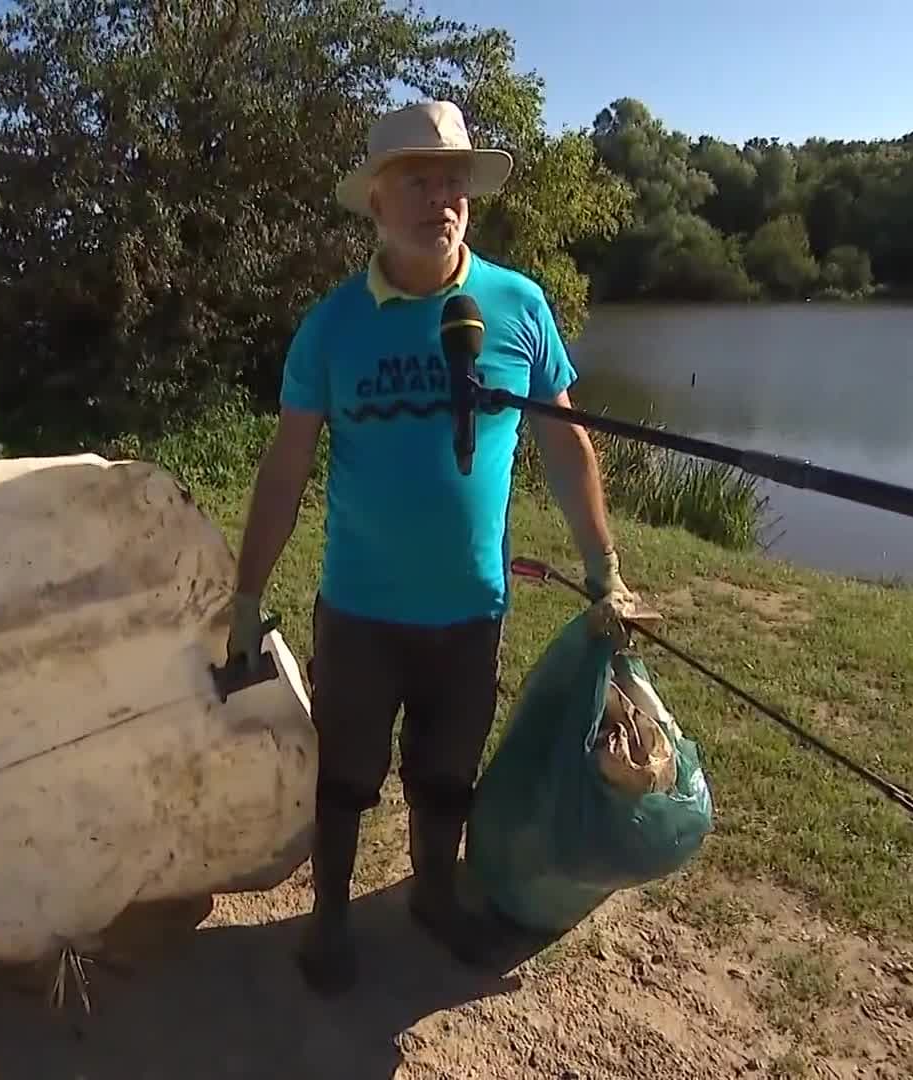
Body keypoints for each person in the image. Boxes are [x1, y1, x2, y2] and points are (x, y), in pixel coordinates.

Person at [224, 100, 641, 995]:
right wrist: (248, 596)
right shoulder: (333, 325)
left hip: (473, 607)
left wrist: (605, 569)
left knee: (448, 772)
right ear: (375, 203)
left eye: (452, 181)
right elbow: (287, 466)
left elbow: (565, 448)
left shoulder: (518, 306)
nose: (438, 198)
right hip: (362, 608)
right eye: (416, 181)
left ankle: (432, 894)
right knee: (344, 775)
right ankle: (330, 916)